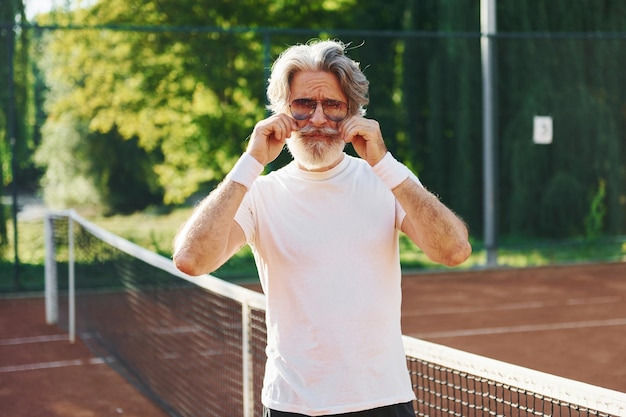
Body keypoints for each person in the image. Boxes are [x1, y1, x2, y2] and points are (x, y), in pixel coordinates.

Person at [173, 39, 471, 417]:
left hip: (382, 401)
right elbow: (191, 259)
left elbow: (454, 251)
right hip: (291, 405)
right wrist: (251, 160)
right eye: (303, 105)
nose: (317, 119)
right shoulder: (259, 192)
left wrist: (386, 163)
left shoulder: (387, 181)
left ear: (353, 113)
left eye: (332, 105)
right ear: (281, 111)